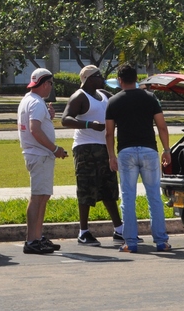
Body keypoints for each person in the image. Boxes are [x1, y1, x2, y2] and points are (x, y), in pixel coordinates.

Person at [105, 63, 172, 253]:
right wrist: (166, 149)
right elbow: (162, 126)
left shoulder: (114, 101)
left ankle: (130, 242)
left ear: (119, 80)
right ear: (136, 79)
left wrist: (111, 155)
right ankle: (161, 241)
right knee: (154, 197)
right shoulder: (150, 98)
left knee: (128, 198)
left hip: (126, 151)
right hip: (149, 150)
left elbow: (109, 133)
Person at [61, 64, 124, 246]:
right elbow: (65, 119)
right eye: (97, 75)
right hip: (85, 148)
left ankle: (119, 229)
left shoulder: (103, 94)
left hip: (105, 147)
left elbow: (119, 102)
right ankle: (83, 231)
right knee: (86, 188)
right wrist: (89, 124)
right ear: (88, 79)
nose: (101, 77)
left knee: (109, 189)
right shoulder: (80, 96)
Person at [18, 67, 68, 255]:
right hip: (40, 155)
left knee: (42, 196)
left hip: (36, 155)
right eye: (50, 84)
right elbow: (35, 129)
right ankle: (32, 239)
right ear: (46, 83)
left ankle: (37, 237)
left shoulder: (29, 100)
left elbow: (37, 125)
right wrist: (55, 149)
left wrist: (49, 116)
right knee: (38, 197)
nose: (50, 88)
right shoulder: (37, 103)